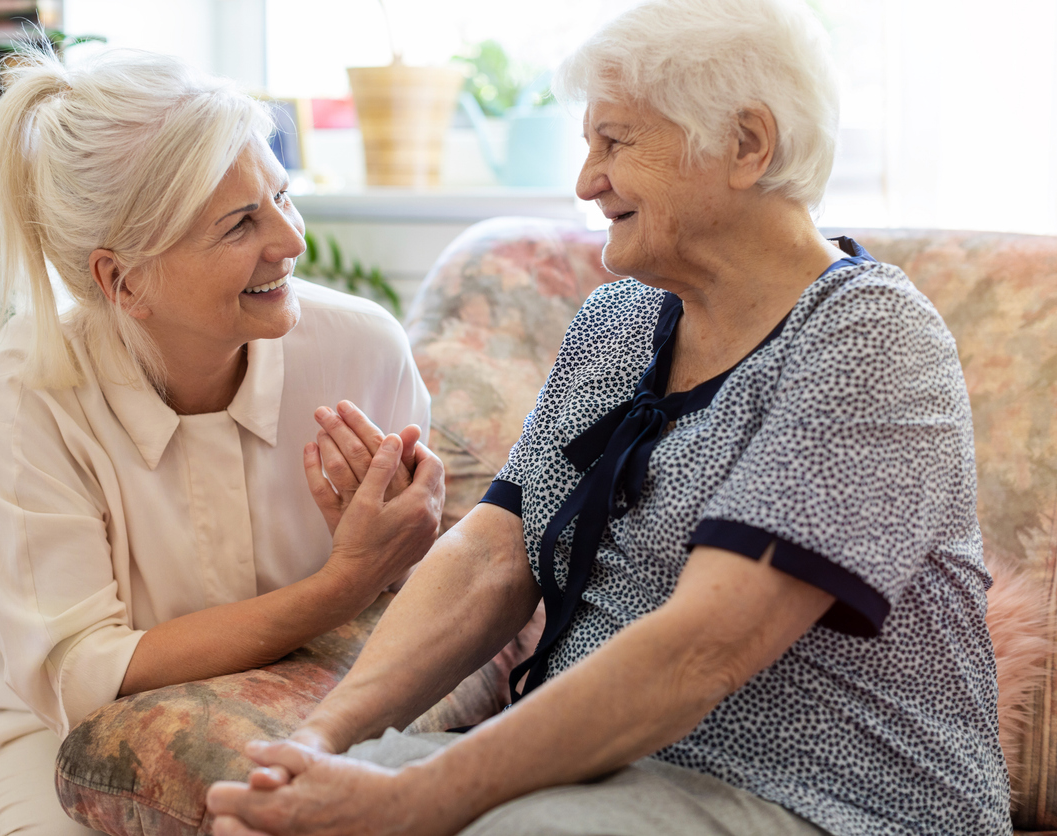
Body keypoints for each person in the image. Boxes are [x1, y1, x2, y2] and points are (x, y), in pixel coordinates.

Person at [204, 0, 1013, 834]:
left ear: (747, 145)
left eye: (615, 143)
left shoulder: (869, 339)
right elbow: (492, 554)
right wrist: (322, 742)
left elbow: (707, 646)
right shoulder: (621, 320)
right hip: (604, 775)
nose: (587, 182)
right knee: (267, 822)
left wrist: (420, 800)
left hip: (827, 802)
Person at [0, 44, 443, 836]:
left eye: (282, 196)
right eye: (240, 224)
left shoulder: (359, 349)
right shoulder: (21, 392)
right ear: (120, 281)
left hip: (277, 702)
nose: (291, 241)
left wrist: (402, 552)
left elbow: (426, 581)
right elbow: (83, 677)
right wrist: (344, 582)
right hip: (33, 729)